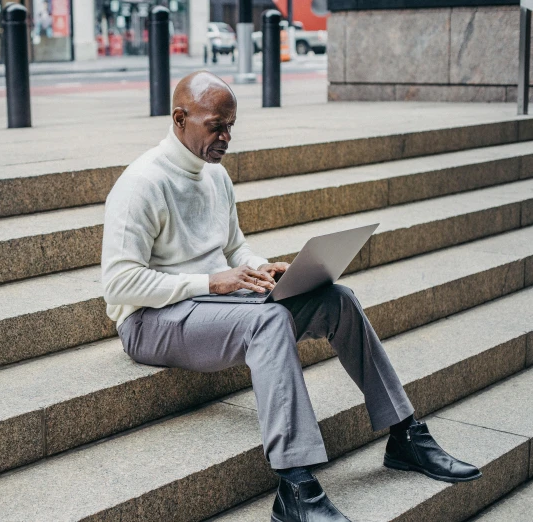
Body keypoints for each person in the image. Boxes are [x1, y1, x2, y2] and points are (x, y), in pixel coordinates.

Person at [100, 71, 482, 522]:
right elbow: (120, 283)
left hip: (213, 307)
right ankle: (295, 487)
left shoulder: (214, 176)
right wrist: (210, 282)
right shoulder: (142, 183)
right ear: (180, 119)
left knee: (337, 298)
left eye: (231, 126)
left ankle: (405, 436)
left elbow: (232, 247)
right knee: (269, 322)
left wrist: (262, 267)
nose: (226, 137)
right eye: (216, 125)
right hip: (150, 323)